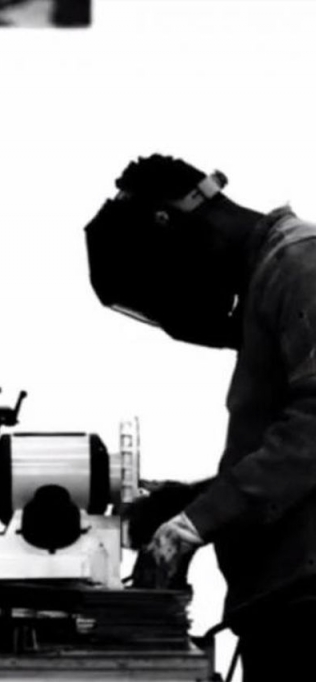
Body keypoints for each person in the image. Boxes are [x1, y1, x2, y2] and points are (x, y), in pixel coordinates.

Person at [84, 154, 316, 680]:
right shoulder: (277, 273)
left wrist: (195, 526)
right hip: (283, 606)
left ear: (173, 222)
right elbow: (290, 464)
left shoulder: (302, 265)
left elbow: (313, 432)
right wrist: (191, 502)